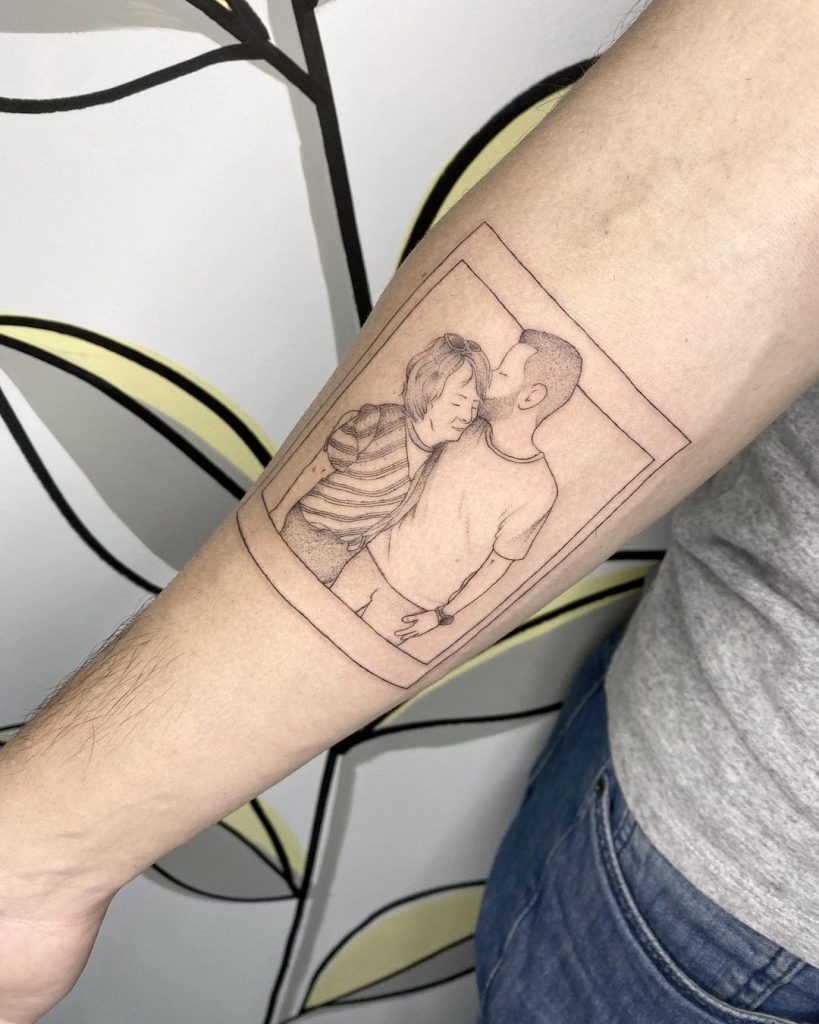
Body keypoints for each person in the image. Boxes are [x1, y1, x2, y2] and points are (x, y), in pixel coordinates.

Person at [3, 1, 819, 1021]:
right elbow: (695, 204)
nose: (496, 380)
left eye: (513, 377)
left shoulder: (528, 479)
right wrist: (36, 857)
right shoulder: (461, 433)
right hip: (740, 897)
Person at [329, 330, 581, 643]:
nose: (487, 378)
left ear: (531, 396)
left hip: (412, 603)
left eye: (502, 373)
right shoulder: (461, 428)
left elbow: (498, 564)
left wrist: (441, 615)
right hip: (367, 558)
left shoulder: (540, 489)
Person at [269, 332, 491, 584]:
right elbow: (319, 467)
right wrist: (279, 512)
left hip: (338, 555)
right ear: (428, 390)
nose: (467, 416)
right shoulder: (378, 421)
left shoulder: (434, 458)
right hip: (304, 529)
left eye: (474, 406)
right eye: (458, 402)